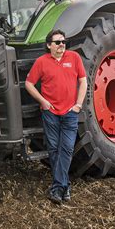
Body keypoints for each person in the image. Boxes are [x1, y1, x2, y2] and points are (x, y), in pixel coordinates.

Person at [25, 29, 87, 204]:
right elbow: (29, 83)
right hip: (50, 112)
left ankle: (57, 188)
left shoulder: (74, 58)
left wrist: (79, 104)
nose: (62, 45)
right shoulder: (41, 62)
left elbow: (83, 81)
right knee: (53, 149)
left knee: (66, 149)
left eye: (63, 42)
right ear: (48, 45)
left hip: (70, 112)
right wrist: (42, 101)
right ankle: (64, 186)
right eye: (58, 42)